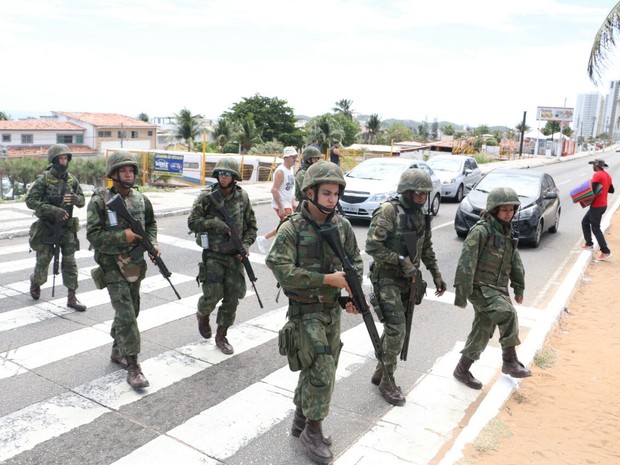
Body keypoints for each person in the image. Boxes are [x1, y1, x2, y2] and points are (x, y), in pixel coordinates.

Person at [265, 161, 362, 465]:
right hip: (304, 311)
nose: (333, 199)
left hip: (331, 310)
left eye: (336, 193)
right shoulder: (292, 227)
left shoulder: (342, 226)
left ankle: (300, 419)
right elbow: (279, 268)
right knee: (321, 370)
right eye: (327, 193)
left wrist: (350, 295)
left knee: (318, 366)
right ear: (310, 192)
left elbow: (354, 263)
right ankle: (313, 431)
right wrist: (325, 280)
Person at [365, 169, 447, 406]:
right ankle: (387, 382)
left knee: (394, 329)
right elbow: (372, 246)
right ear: (407, 191)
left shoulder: (421, 216)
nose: (422, 198)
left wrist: (437, 276)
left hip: (408, 282)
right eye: (418, 194)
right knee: (397, 330)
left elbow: (426, 249)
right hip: (387, 278)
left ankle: (381, 370)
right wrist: (400, 260)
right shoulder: (389, 211)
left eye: (425, 194)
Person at [86, 151, 158, 389]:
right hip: (111, 265)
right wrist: (122, 236)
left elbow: (151, 224)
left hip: (135, 264)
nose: (128, 174)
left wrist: (152, 244)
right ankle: (133, 365)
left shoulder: (140, 199)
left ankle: (118, 349)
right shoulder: (100, 200)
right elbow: (94, 236)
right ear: (114, 174)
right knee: (126, 313)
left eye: (131, 170)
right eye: (123, 171)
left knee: (132, 309)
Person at [453, 187, 531, 390]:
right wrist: (461, 295)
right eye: (503, 209)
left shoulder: (507, 232)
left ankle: (462, 369)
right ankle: (510, 360)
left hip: (497, 289)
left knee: (483, 329)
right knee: (507, 314)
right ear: (493, 210)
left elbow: (515, 261)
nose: (508, 213)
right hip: (479, 288)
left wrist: (518, 287)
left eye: (511, 209)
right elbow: (465, 263)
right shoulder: (481, 231)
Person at [187, 157, 257, 355]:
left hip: (235, 256)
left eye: (228, 173)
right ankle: (203, 313)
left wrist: (245, 245)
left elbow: (251, 226)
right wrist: (214, 223)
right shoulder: (207, 197)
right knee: (213, 295)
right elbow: (192, 222)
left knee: (233, 297)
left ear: (234, 176)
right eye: (221, 173)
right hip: (214, 255)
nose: (223, 176)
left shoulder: (242, 197)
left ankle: (222, 335)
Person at [26, 143, 87, 312]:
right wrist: (52, 210)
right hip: (47, 227)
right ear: (53, 160)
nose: (63, 161)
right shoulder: (43, 179)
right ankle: (35, 281)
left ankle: (72, 297)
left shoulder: (72, 180)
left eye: (66, 158)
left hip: (66, 228)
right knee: (44, 260)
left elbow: (82, 201)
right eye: (60, 158)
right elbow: (30, 201)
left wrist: (76, 199)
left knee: (70, 263)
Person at [256, 146, 298, 253]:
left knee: (284, 226)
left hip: (287, 203)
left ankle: (266, 241)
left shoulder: (290, 169)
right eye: (293, 157)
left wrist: (292, 202)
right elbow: (274, 190)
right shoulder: (280, 171)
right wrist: (280, 207)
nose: (295, 159)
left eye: (295, 157)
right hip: (282, 203)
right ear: (286, 157)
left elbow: (291, 187)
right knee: (288, 226)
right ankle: (269, 244)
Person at [581, 158, 614, 260]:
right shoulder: (607, 175)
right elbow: (612, 190)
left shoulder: (597, 175)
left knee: (595, 228)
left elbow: (593, 190)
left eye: (593, 165)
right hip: (602, 204)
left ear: (597, 166)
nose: (592, 167)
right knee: (585, 222)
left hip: (597, 206)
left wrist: (583, 198)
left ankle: (606, 251)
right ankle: (589, 244)